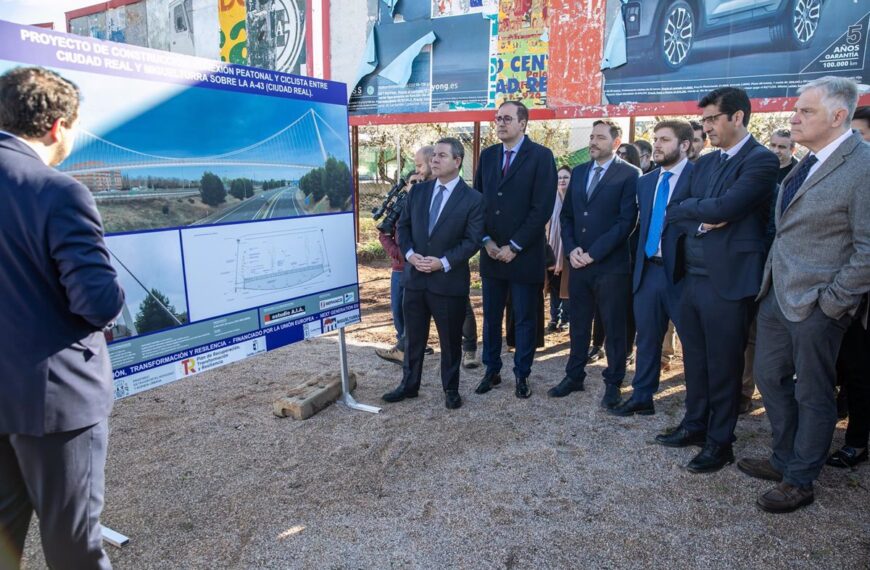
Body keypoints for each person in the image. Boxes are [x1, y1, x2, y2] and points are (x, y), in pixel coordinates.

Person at [0, 66, 125, 569]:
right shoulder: (58, 193)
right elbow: (97, 303)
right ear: (59, 126)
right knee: (72, 542)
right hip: (54, 403)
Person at [738, 77, 870, 513]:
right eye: (796, 110)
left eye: (805, 111)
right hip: (777, 294)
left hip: (819, 305)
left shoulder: (863, 166)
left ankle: (801, 478)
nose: (793, 117)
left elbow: (867, 249)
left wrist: (832, 302)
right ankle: (784, 456)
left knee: (813, 393)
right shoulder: (806, 162)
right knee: (769, 377)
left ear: (837, 116)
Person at [658, 87, 778, 474]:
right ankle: (695, 425)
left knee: (724, 365)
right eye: (704, 119)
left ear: (738, 117)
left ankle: (720, 441)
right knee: (695, 359)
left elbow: (729, 207)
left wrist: (709, 211)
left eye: (712, 119)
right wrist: (705, 216)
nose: (705, 127)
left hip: (728, 282)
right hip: (690, 278)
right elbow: (676, 209)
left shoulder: (760, 161)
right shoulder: (705, 163)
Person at [381, 137, 483, 409]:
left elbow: (472, 241)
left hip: (447, 282)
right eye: (434, 155)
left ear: (457, 161)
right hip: (414, 279)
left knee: (450, 341)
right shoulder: (418, 192)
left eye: (441, 156)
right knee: (413, 339)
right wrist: (411, 255)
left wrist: (443, 262)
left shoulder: (473, 199)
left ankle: (451, 389)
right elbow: (403, 227)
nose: (434, 160)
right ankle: (409, 385)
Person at [548, 119, 639, 408]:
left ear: (615, 142)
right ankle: (574, 375)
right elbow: (568, 216)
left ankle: (613, 382)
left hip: (610, 265)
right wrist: (573, 249)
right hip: (578, 262)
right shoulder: (579, 172)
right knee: (578, 322)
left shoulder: (630, 174)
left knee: (613, 325)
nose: (593, 142)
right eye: (591, 136)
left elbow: (627, 221)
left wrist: (593, 253)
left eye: (600, 137)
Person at [610, 119, 694, 417]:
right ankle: (642, 396)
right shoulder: (646, 181)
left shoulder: (698, 177)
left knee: (693, 345)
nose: (657, 144)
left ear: (684, 145)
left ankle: (696, 410)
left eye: (665, 140)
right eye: (656, 138)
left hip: (683, 275)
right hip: (648, 271)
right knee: (646, 338)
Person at [474, 101, 557, 399]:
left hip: (524, 254)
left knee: (523, 318)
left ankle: (522, 374)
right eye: (497, 118)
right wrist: (485, 241)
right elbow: (478, 202)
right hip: (493, 253)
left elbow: (542, 207)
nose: (500, 123)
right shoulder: (487, 156)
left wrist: (516, 245)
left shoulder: (541, 156)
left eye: (507, 118)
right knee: (492, 317)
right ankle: (491, 370)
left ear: (523, 123)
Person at [375, 146, 435, 364]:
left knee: (414, 310)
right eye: (415, 168)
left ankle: (409, 348)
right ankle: (404, 346)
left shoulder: (434, 196)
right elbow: (385, 232)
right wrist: (399, 254)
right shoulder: (403, 201)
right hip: (401, 266)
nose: (417, 173)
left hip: (424, 266)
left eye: (419, 166)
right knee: (399, 310)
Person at [546, 166, 572, 333]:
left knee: (567, 287)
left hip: (569, 252)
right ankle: (554, 317)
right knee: (554, 286)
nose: (562, 180)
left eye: (566, 177)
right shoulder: (550, 201)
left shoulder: (574, 200)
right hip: (552, 251)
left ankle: (566, 319)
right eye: (559, 177)